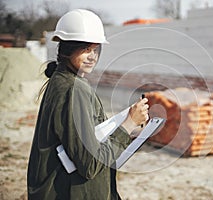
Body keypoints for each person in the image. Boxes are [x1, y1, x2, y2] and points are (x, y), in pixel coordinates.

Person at [27, 9, 149, 200]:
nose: (92, 56)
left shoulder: (62, 80)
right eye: (85, 48)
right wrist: (130, 123)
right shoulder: (73, 89)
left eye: (95, 49)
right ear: (68, 49)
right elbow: (90, 164)